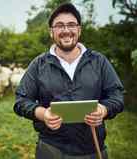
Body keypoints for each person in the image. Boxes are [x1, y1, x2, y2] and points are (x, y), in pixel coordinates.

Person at [13, 2, 124, 159]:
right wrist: (43, 114)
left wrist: (103, 110)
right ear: (51, 32)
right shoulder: (38, 64)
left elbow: (117, 96)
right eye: (59, 26)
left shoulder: (99, 61)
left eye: (71, 25)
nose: (66, 30)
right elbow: (21, 100)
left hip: (92, 149)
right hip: (51, 149)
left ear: (79, 30)